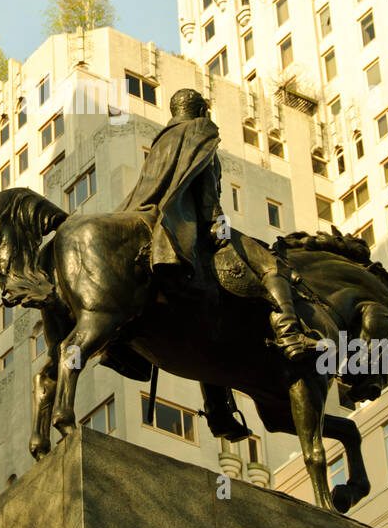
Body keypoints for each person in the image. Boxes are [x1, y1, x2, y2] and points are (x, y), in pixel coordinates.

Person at [119, 88, 316, 435]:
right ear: (200, 112)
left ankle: (217, 409)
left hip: (150, 222)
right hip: (188, 229)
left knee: (206, 329)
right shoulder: (202, 137)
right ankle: (289, 332)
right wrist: (221, 231)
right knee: (271, 265)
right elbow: (210, 200)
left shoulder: (161, 141)